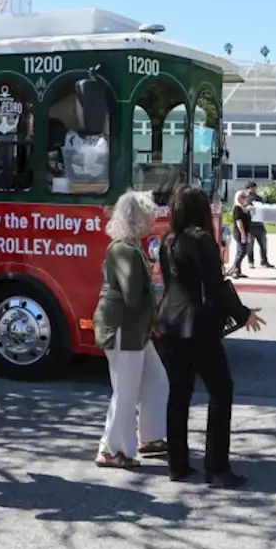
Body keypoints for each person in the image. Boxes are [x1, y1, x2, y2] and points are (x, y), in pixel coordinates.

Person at [158, 185, 265, 488]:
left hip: (170, 323)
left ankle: (177, 464)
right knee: (221, 392)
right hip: (197, 325)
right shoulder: (200, 239)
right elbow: (215, 285)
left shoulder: (169, 240)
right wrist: (243, 314)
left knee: (179, 395)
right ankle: (217, 467)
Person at [93, 190, 169, 469]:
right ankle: (111, 449)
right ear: (137, 219)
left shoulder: (129, 245)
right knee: (125, 392)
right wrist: (158, 295)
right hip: (124, 327)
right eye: (149, 215)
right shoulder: (125, 249)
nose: (154, 219)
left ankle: (149, 437)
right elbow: (134, 297)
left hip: (130, 327)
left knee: (155, 379)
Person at [243, 181, 273, 269]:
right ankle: (251, 262)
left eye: (254, 187)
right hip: (250, 226)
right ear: (247, 189)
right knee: (250, 245)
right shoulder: (245, 199)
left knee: (263, 244)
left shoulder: (259, 198)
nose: (253, 189)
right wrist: (248, 208)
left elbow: (264, 209)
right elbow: (243, 209)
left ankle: (264, 261)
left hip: (259, 225)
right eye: (251, 187)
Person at [229, 189, 252, 278]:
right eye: (242, 197)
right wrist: (243, 234)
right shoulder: (237, 208)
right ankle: (234, 268)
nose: (244, 198)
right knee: (242, 251)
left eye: (245, 197)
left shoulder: (244, 208)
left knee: (240, 251)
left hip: (245, 231)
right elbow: (239, 222)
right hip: (239, 232)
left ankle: (237, 270)